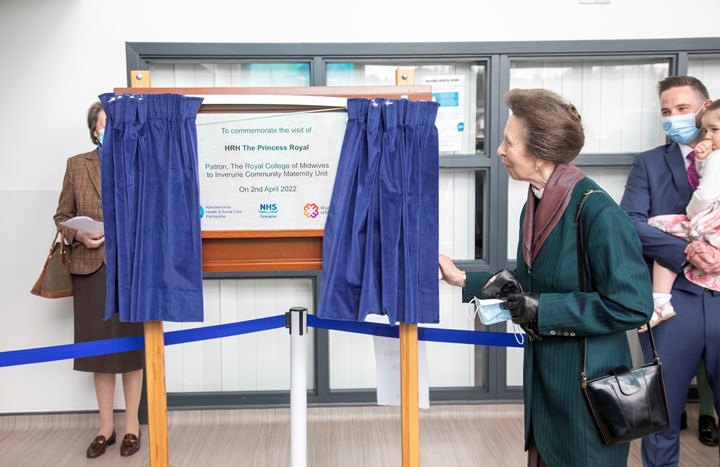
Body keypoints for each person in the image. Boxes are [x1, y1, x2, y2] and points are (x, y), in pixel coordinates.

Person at [439, 88, 653, 466]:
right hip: (546, 388)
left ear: (540, 153)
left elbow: (632, 306)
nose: (500, 151)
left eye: (509, 142)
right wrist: (459, 278)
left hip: (588, 393)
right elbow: (527, 286)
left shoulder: (598, 213)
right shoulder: (535, 203)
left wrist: (544, 309)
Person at [620, 75, 720, 465]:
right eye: (665, 112)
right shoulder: (648, 163)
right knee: (659, 414)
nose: (673, 118)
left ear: (704, 107)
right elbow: (631, 222)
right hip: (672, 301)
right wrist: (688, 250)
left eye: (681, 109)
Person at [54, 102, 145, 459]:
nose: (111, 129)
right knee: (100, 353)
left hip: (129, 271)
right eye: (105, 124)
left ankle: (133, 426)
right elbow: (62, 216)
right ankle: (106, 428)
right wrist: (79, 236)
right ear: (94, 130)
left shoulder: (135, 162)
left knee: (131, 350)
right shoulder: (77, 165)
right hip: (91, 269)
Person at [643, 99, 720, 331]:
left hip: (709, 219)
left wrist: (691, 213)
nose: (708, 136)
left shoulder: (718, 157)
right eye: (706, 130)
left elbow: (706, 194)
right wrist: (701, 161)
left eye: (715, 130)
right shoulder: (713, 155)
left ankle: (660, 300)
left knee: (659, 227)